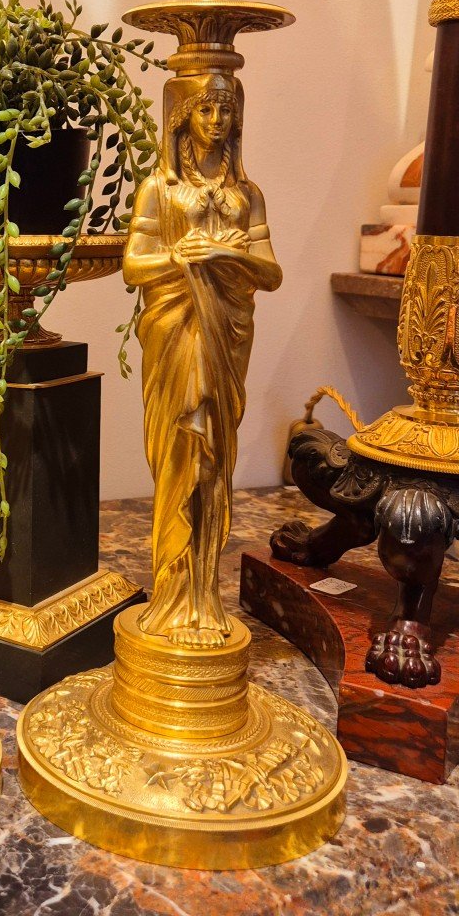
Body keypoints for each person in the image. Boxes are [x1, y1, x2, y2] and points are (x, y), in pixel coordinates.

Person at [123, 72, 282, 647]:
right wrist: (180, 258)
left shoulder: (247, 196)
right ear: (181, 115)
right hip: (175, 331)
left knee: (215, 450)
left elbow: (271, 272)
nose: (216, 121)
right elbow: (134, 267)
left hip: (226, 335)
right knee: (181, 443)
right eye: (205, 109)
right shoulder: (159, 192)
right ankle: (170, 589)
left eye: (226, 110)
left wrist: (220, 252)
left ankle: (204, 593)